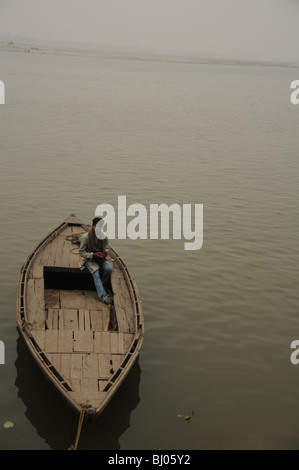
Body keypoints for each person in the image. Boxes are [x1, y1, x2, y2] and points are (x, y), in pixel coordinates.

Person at [79, 216, 113, 305]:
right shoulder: (85, 237)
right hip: (90, 260)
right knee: (96, 273)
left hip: (101, 259)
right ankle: (103, 297)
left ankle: (100, 286)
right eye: (98, 227)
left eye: (101, 227)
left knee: (109, 269)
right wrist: (93, 255)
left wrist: (106, 252)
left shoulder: (103, 236)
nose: (99, 229)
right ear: (93, 226)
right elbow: (82, 252)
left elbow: (106, 246)